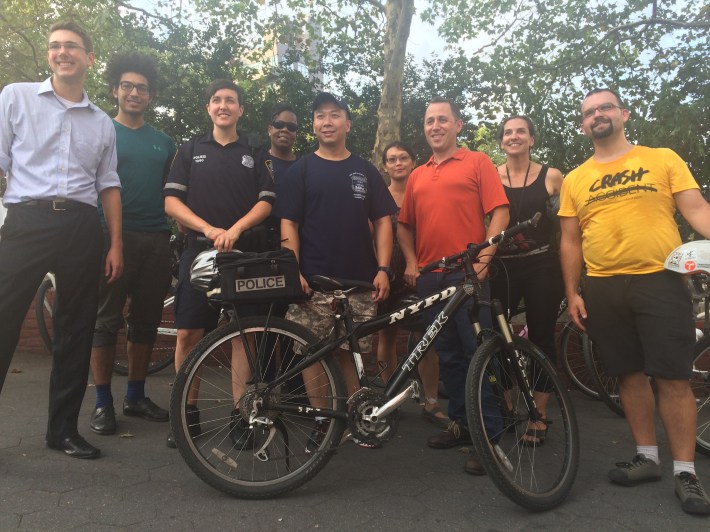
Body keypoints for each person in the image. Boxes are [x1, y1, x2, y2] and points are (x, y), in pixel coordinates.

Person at [559, 88, 710, 515]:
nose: (597, 116)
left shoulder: (661, 158)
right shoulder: (575, 179)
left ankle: (686, 472)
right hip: (603, 287)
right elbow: (570, 240)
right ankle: (646, 457)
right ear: (583, 124)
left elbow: (697, 209)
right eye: (589, 112)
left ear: (623, 114)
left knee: (673, 377)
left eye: (605, 107)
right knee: (627, 374)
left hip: (660, 279)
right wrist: (572, 291)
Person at [0, 20, 122, 459]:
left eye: (71, 46)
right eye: (55, 46)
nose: (61, 51)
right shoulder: (15, 97)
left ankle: (63, 431)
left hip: (81, 227)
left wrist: (116, 244)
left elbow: (108, 185)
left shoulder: (103, 123)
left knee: (76, 328)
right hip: (26, 222)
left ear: (89, 58)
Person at [274, 92, 396, 449]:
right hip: (312, 282)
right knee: (312, 355)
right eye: (320, 116)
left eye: (334, 115)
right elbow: (288, 224)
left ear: (347, 123)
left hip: (359, 282)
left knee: (351, 355)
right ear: (313, 125)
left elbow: (384, 222)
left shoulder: (364, 170)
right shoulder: (301, 170)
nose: (327, 122)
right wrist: (292, 269)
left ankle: (357, 421)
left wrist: (384, 267)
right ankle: (323, 424)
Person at [398, 97, 509, 475]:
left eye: (442, 119)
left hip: (468, 273)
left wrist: (484, 261)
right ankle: (461, 426)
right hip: (431, 276)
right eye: (429, 121)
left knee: (479, 354)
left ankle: (490, 439)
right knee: (448, 356)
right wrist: (412, 262)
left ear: (458, 125)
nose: (435, 126)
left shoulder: (478, 162)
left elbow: (501, 212)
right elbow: (404, 224)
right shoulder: (416, 175)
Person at [164, 79, 275, 448]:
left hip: (245, 255)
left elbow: (267, 202)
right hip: (198, 252)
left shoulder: (257, 152)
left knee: (245, 335)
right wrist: (209, 229)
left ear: (240, 110)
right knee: (188, 334)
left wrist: (236, 229)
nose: (223, 105)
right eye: (216, 100)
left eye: (230, 100)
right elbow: (172, 203)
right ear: (208, 108)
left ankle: (242, 417)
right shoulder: (189, 149)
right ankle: (185, 414)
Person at [88, 53, 177, 436]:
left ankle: (136, 396)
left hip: (156, 240)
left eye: (141, 87)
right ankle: (103, 402)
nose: (134, 92)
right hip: (111, 240)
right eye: (127, 86)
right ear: (115, 90)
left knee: (146, 321)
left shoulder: (164, 142)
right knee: (106, 322)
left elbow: (173, 194)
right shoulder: (100, 131)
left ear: (151, 95)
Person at [491, 116, 564, 445]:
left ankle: (540, 413)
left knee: (541, 337)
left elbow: (568, 226)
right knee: (496, 338)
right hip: (502, 267)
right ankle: (508, 409)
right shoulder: (491, 176)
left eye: (521, 131)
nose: (514, 136)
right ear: (502, 140)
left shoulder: (551, 176)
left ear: (532, 139)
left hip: (542, 266)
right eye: (508, 132)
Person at [376, 141, 449, 429]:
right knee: (387, 336)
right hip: (387, 274)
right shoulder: (378, 197)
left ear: (413, 161)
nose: (397, 163)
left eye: (403, 158)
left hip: (421, 272)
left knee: (427, 338)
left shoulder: (423, 192)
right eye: (391, 159)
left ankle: (431, 402)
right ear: (385, 165)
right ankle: (389, 396)